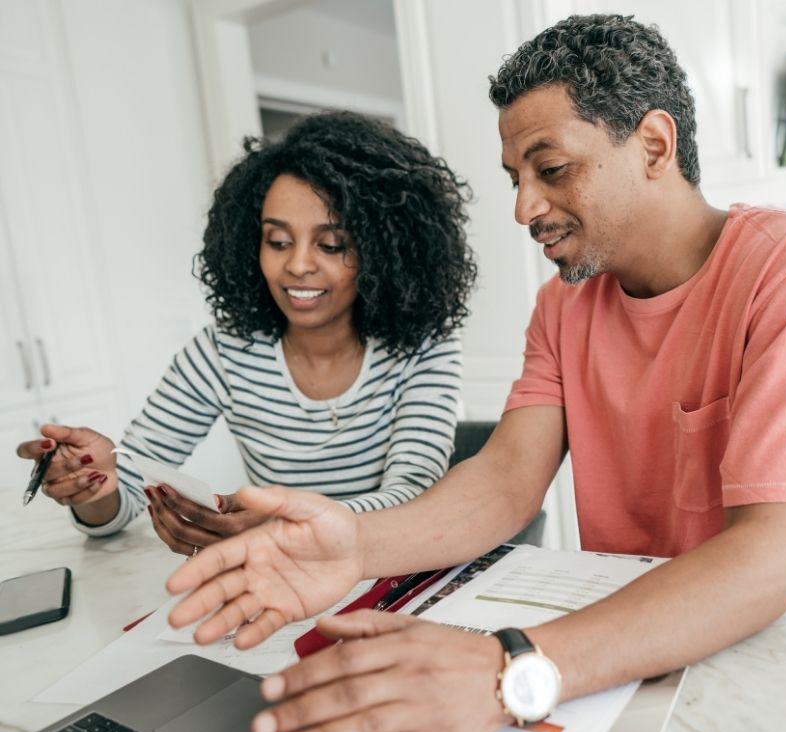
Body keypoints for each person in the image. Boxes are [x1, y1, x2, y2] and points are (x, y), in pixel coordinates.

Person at [165, 14, 786, 732]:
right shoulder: (565, 303)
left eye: (550, 170)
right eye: (514, 179)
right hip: (627, 650)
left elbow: (765, 561)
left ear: (654, 145)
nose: (524, 208)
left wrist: (508, 669)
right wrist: (356, 543)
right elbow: (504, 482)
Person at [15, 110, 477, 556]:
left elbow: (414, 493)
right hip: (281, 582)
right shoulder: (224, 352)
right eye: (277, 241)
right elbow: (128, 489)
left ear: (383, 251)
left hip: (394, 573)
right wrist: (94, 485)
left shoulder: (425, 347)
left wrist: (283, 525)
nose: (296, 265)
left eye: (331, 244)